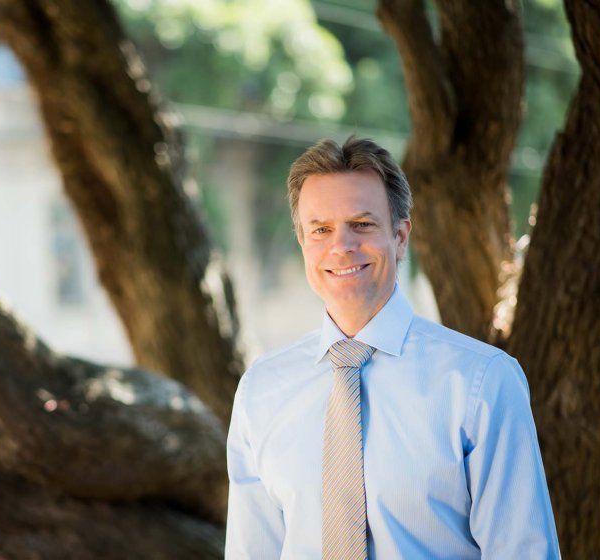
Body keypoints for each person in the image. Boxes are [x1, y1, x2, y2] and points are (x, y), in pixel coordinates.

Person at [224, 137, 560, 559]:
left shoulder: (481, 381)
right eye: (321, 229)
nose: (341, 246)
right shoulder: (262, 390)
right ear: (302, 242)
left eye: (362, 224)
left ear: (400, 237)